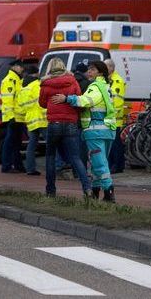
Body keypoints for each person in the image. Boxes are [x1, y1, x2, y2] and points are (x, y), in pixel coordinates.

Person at [51, 61, 116, 202]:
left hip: (95, 131)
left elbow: (86, 101)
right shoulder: (106, 86)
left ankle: (109, 192)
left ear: (100, 72)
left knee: (99, 163)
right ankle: (95, 190)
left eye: (92, 69)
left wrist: (67, 98)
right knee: (97, 162)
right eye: (89, 69)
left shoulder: (95, 86)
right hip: (107, 130)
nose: (89, 72)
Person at [39, 58, 91, 197]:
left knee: (50, 157)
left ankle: (50, 190)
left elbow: (42, 103)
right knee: (75, 158)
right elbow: (79, 99)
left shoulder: (45, 83)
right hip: (70, 124)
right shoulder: (72, 81)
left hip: (54, 124)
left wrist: (53, 102)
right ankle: (87, 188)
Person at [16, 65, 45, 175]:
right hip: (42, 119)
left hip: (30, 120)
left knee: (31, 145)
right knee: (53, 144)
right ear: (37, 73)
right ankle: (57, 168)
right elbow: (42, 102)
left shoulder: (23, 86)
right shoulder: (36, 85)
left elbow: (21, 105)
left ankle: (30, 168)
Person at [0, 61, 25, 173]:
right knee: (10, 142)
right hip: (13, 117)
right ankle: (6, 165)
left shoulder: (17, 80)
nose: (22, 69)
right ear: (14, 67)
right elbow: (8, 100)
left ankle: (17, 165)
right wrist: (11, 117)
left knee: (16, 143)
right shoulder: (10, 80)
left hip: (18, 117)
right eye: (20, 67)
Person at [104, 59, 127, 174]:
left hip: (114, 117)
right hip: (109, 117)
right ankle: (113, 164)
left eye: (105, 67)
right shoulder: (108, 80)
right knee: (111, 142)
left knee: (115, 144)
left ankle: (117, 165)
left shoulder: (117, 81)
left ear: (111, 68)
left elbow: (117, 100)